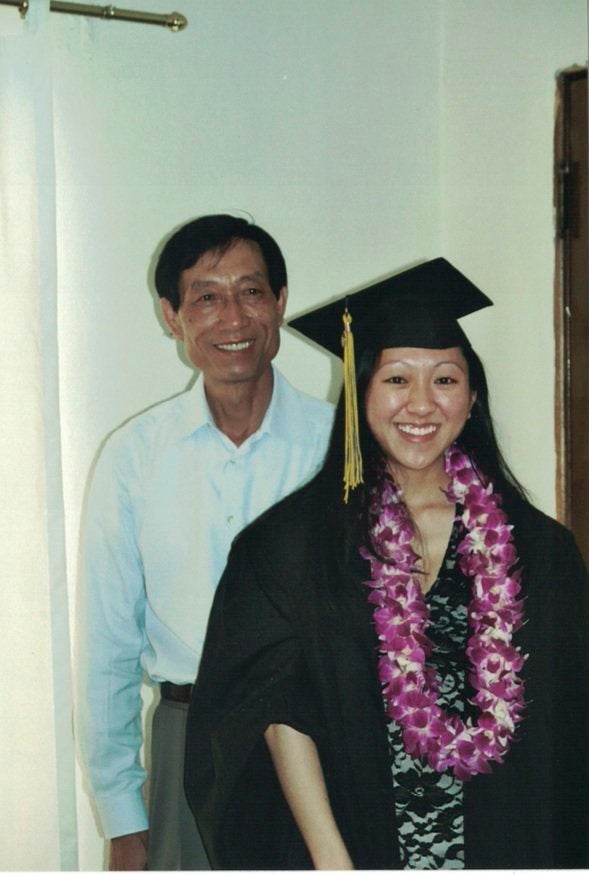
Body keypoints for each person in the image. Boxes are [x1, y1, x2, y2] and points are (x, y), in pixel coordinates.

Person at [184, 257, 589, 870]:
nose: (421, 405)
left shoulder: (540, 551)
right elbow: (276, 715)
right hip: (358, 845)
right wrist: (333, 862)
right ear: (361, 391)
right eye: (397, 379)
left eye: (446, 380)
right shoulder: (290, 548)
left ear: (472, 397)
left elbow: (566, 732)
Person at [75, 214, 334, 871]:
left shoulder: (341, 447)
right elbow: (107, 644)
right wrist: (123, 817)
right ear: (172, 315)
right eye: (206, 297)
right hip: (187, 737)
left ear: (280, 301)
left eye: (250, 292)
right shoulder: (133, 458)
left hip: (323, 735)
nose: (233, 318)